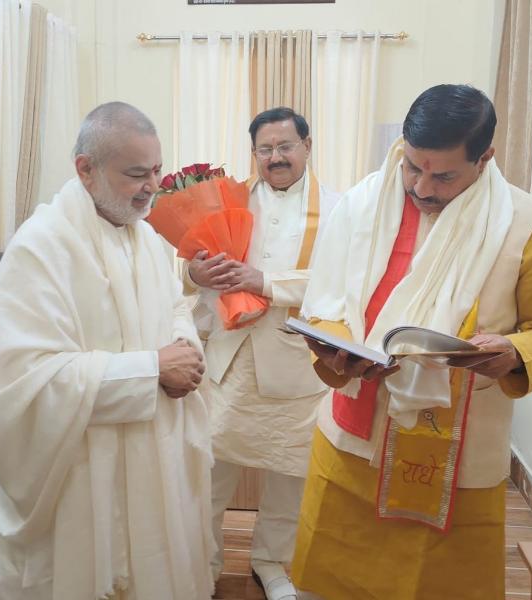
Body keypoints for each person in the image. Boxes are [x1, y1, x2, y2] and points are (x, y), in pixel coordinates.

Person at [289, 84, 532, 599]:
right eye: (411, 166)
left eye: (443, 175)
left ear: (485, 157)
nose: (421, 188)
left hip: (455, 453)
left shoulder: (531, 227)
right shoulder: (361, 204)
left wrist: (515, 353)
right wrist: (335, 347)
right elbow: (326, 303)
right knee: (336, 578)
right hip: (354, 437)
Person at [0, 102, 215, 600]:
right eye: (135, 174)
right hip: (78, 475)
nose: (152, 186)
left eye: (156, 170)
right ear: (86, 169)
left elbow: (174, 308)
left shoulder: (146, 237)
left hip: (152, 455)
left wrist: (185, 348)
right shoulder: (40, 247)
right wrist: (149, 371)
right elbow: (19, 380)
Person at [184, 107, 339, 600]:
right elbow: (185, 269)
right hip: (229, 360)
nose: (276, 157)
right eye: (265, 149)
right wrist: (195, 275)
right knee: (206, 472)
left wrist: (266, 282)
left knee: (289, 477)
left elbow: (341, 286)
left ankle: (274, 565)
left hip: (297, 363)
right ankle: (198, 566)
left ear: (307, 146)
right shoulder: (225, 202)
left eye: (285, 146)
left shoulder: (339, 210)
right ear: (254, 153)